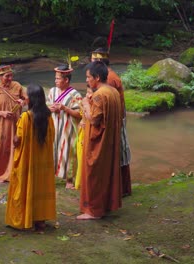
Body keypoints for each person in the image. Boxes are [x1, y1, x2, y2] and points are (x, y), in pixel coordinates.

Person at [5, 84, 56, 231]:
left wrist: (15, 131)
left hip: (28, 160)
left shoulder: (26, 117)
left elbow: (17, 140)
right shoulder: (48, 116)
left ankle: (25, 218)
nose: (25, 97)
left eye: (27, 95)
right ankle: (40, 220)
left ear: (32, 99)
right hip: (43, 161)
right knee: (41, 188)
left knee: (25, 186)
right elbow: (51, 137)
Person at [77, 61, 122, 220]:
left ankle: (93, 211)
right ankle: (105, 206)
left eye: (89, 77)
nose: (87, 80)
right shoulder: (113, 92)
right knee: (105, 174)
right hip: (110, 141)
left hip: (98, 143)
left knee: (93, 174)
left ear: (97, 77)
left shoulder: (99, 95)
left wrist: (85, 104)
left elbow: (94, 120)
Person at [91, 48, 132, 196]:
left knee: (116, 153)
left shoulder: (109, 79)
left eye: (92, 61)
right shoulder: (110, 76)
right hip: (115, 119)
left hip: (113, 121)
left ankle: (118, 189)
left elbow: (103, 104)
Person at [0, 64, 27, 182]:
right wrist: (1, 113)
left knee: (16, 146)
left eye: (11, 75)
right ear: (0, 77)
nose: (10, 78)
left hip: (16, 123)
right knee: (1, 148)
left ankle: (13, 172)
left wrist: (22, 102)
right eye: (7, 76)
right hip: (0, 125)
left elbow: (26, 99)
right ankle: (0, 174)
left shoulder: (17, 86)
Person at [47, 64, 82, 189]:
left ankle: (69, 180)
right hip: (54, 126)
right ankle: (51, 176)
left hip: (68, 129)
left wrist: (64, 108)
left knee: (68, 153)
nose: (55, 81)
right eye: (55, 78)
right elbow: (47, 106)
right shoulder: (52, 91)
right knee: (52, 151)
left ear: (66, 80)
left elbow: (79, 114)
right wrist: (51, 109)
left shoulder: (75, 95)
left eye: (58, 78)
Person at [74, 87, 92, 190]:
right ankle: (80, 184)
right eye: (87, 92)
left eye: (90, 92)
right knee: (80, 158)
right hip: (82, 134)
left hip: (89, 135)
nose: (88, 95)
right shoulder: (86, 103)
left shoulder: (94, 105)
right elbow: (82, 117)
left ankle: (84, 184)